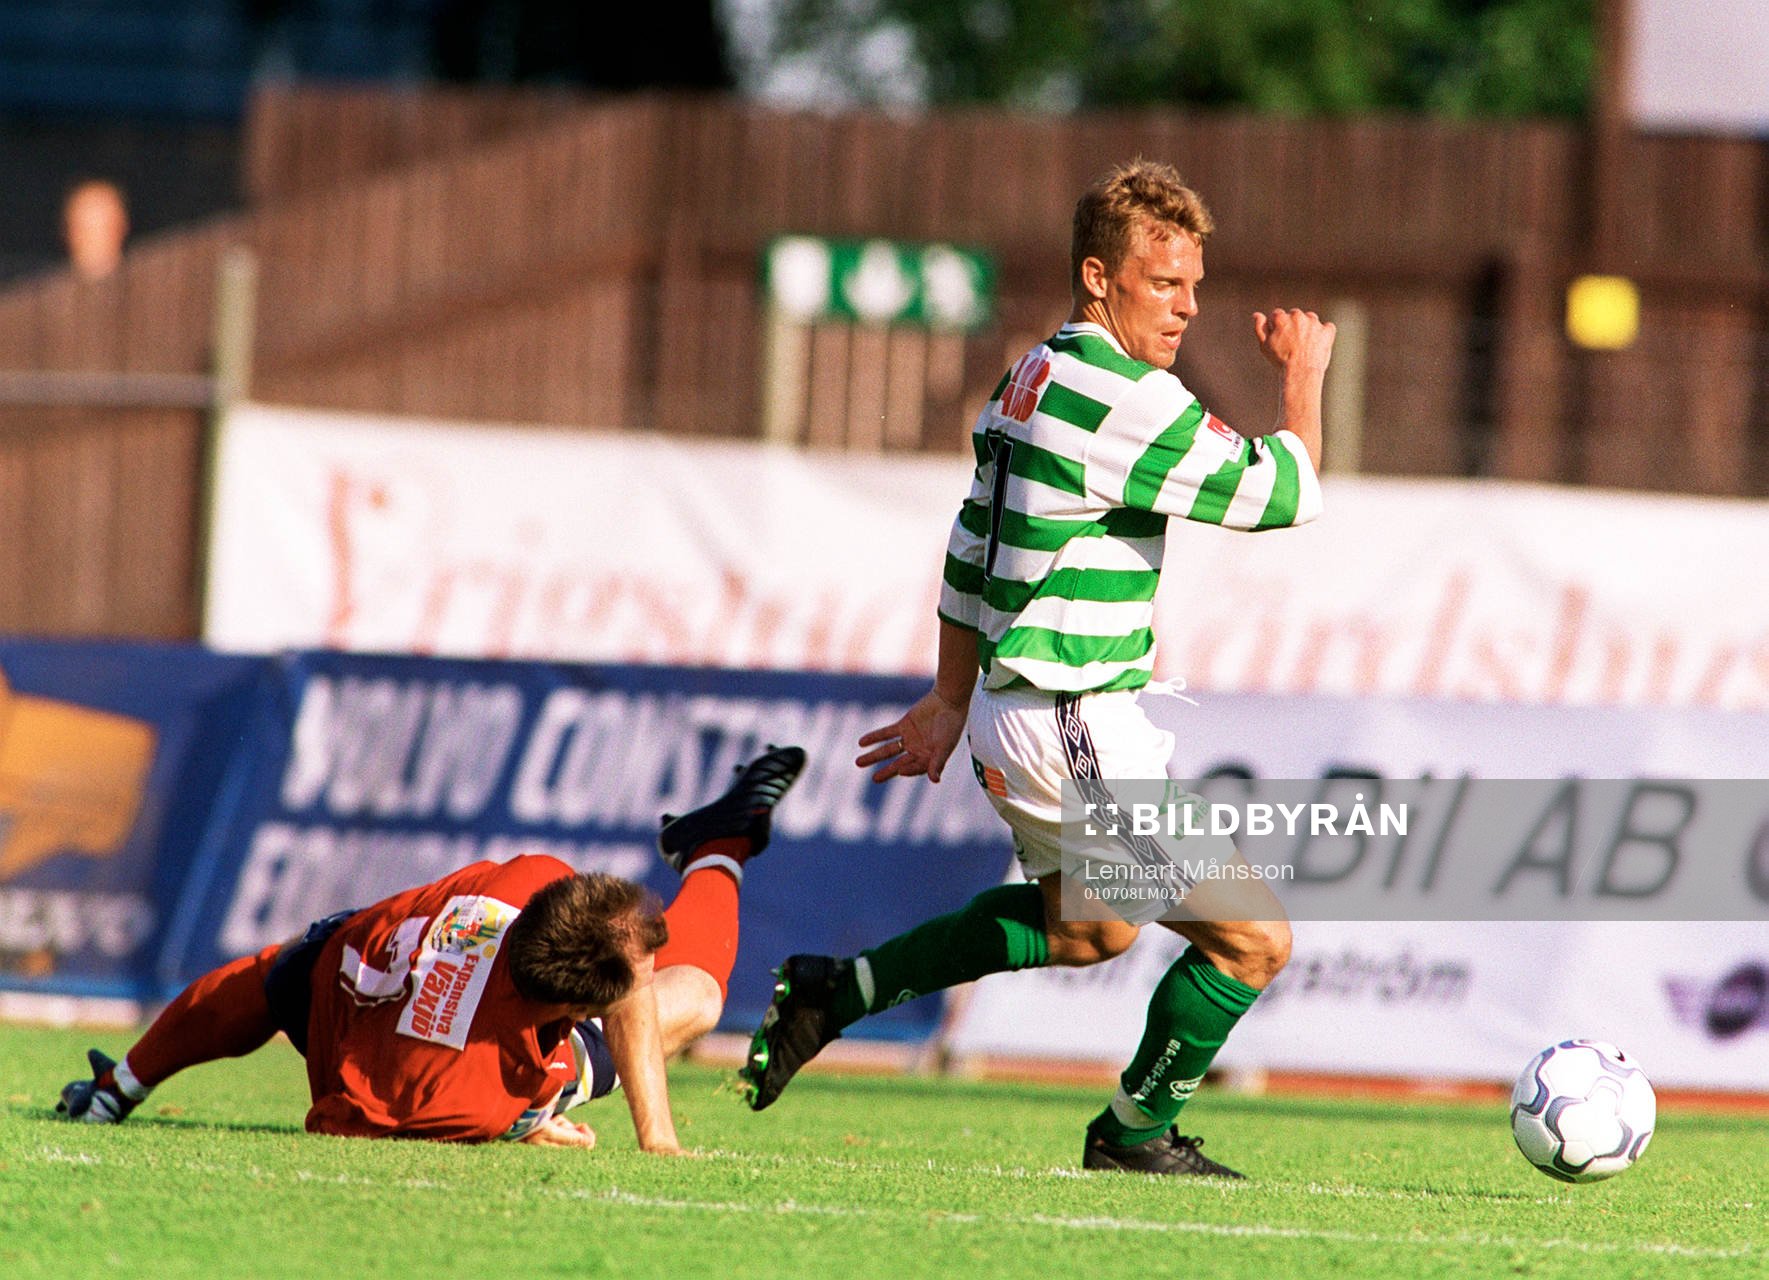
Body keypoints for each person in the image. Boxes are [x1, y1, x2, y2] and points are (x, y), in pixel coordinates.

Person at [740, 160, 1334, 1179]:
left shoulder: (1031, 372)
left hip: (1031, 715)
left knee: (1087, 929)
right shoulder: (1120, 395)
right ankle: (1133, 1131)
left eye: (1193, 285)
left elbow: (971, 542)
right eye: (1162, 284)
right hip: (1073, 722)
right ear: (1098, 277)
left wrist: (948, 694)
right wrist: (1301, 378)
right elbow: (1281, 492)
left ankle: (836, 989)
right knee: (1252, 939)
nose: (1187, 307)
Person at [58, 745, 805, 1148]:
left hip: (337, 962)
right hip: (390, 1058)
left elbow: (252, 982)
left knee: (275, 973)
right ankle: (719, 845)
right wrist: (532, 1122)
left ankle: (116, 1088)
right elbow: (345, 1117)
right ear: (573, 1007)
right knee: (698, 997)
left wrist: (658, 1138)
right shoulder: (469, 1089)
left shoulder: (533, 880)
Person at [63, 179, 130, 282]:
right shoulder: (47, 292)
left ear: (122, 226)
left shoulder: (147, 281)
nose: (96, 240)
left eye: (106, 224)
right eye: (86, 227)